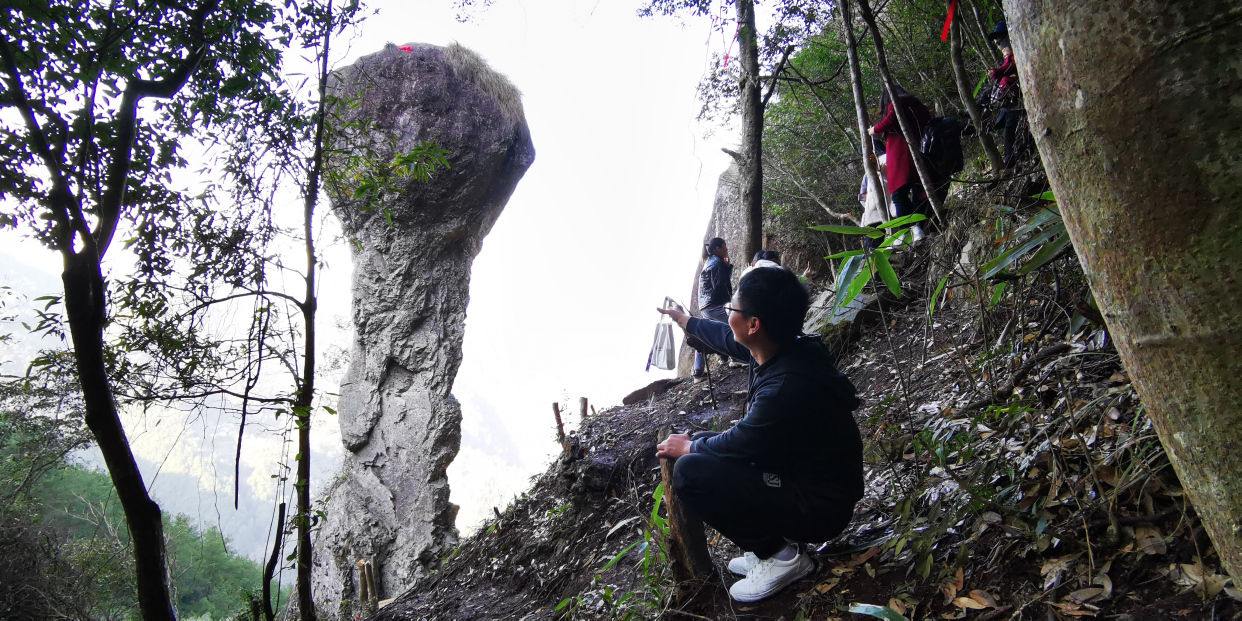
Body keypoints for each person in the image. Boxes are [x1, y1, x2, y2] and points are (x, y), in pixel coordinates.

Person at [655, 267, 863, 602]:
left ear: (754, 325)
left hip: (820, 506)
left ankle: (782, 557)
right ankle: (775, 542)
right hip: (803, 475)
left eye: (732, 310)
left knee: (691, 471)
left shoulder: (784, 385)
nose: (727, 316)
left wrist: (691, 446)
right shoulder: (779, 346)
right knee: (702, 445)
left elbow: (741, 443)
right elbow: (725, 337)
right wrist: (686, 321)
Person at [868, 85, 933, 241]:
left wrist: (874, 130)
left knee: (898, 194)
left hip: (899, 153)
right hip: (915, 150)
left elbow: (890, 118)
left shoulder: (896, 104)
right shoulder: (916, 104)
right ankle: (918, 228)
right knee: (915, 192)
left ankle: (911, 229)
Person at [986, 21, 1026, 168]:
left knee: (1011, 125)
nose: (999, 45)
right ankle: (1010, 156)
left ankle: (1011, 157)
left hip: (1019, 95)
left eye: (1001, 40)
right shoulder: (1009, 56)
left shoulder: (1017, 51)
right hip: (1012, 96)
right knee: (1009, 125)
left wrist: (998, 72)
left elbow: (1012, 67)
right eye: (997, 42)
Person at [694, 237, 733, 378]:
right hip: (712, 304)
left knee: (706, 333)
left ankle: (698, 372)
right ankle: (735, 358)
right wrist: (728, 304)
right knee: (734, 324)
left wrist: (727, 267)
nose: (726, 249)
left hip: (704, 305)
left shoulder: (711, 261)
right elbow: (720, 286)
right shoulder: (716, 263)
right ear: (717, 248)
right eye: (724, 247)